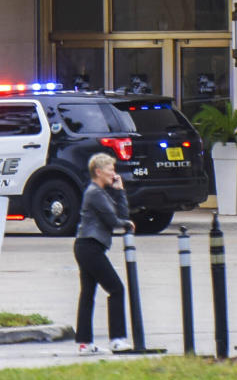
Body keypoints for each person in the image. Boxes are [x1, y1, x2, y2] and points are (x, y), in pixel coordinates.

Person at [74, 152, 135, 355]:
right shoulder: (95, 193)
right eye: (110, 169)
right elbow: (114, 221)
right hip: (90, 247)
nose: (113, 173)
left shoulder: (101, 192)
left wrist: (120, 191)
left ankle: (85, 343)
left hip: (88, 246)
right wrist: (127, 224)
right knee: (116, 289)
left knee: (88, 293)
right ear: (98, 171)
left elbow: (121, 214)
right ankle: (117, 339)